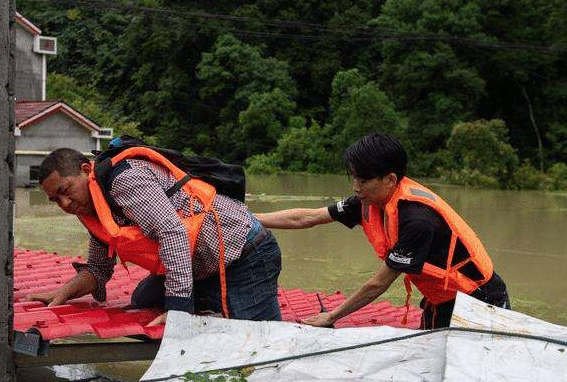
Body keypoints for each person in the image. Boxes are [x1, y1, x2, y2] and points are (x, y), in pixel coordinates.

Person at [255, 132, 510, 329]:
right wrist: (249, 217)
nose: (355, 187)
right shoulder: (369, 201)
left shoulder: (417, 221)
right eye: (353, 178)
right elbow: (307, 217)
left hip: (479, 302)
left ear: (390, 179)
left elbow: (379, 284)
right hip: (440, 300)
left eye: (363, 180)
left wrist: (331, 316)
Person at [26, 147, 282, 326]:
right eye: (55, 200)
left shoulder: (124, 180)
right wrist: (63, 294)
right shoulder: (93, 209)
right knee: (142, 300)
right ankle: (212, 299)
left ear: (85, 170)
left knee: (261, 344)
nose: (65, 203)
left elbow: (173, 234)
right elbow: (98, 269)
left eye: (65, 191)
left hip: (247, 254)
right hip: (204, 266)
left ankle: (222, 301)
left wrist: (178, 311)